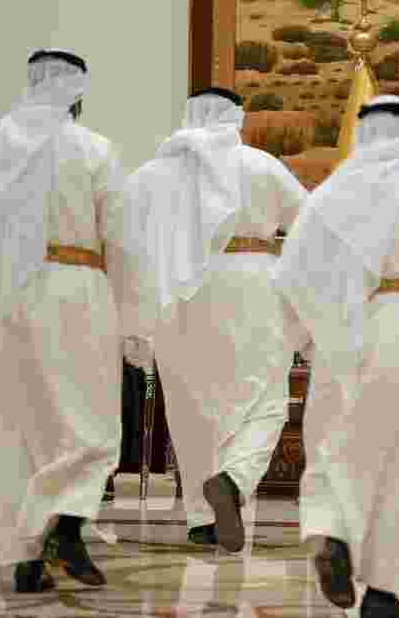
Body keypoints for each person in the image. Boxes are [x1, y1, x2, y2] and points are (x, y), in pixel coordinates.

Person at [273, 95, 399, 617]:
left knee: (335, 442)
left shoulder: (324, 200)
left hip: (338, 335)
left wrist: (295, 339)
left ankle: (329, 533)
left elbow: (291, 277)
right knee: (397, 460)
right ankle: (385, 592)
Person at [0, 49, 131, 591]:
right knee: (93, 423)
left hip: (6, 294)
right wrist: (137, 315)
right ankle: (64, 523)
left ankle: (25, 560)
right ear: (79, 93)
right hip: (76, 287)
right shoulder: (95, 149)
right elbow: (122, 241)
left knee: (17, 427)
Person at [120, 87, 307, 553]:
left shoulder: (151, 174)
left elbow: (124, 241)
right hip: (253, 286)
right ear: (236, 118)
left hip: (180, 295)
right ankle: (233, 480)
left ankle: (202, 521)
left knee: (190, 409)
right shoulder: (261, 165)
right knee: (266, 399)